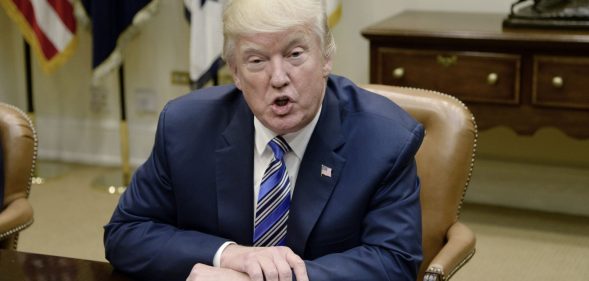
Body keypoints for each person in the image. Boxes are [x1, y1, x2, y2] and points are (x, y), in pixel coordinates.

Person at [103, 0, 424, 280]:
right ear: (236, 72)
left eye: (295, 55)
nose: (279, 78)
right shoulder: (185, 127)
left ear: (326, 56)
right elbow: (125, 233)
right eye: (256, 61)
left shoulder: (386, 140)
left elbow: (392, 263)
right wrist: (231, 255)